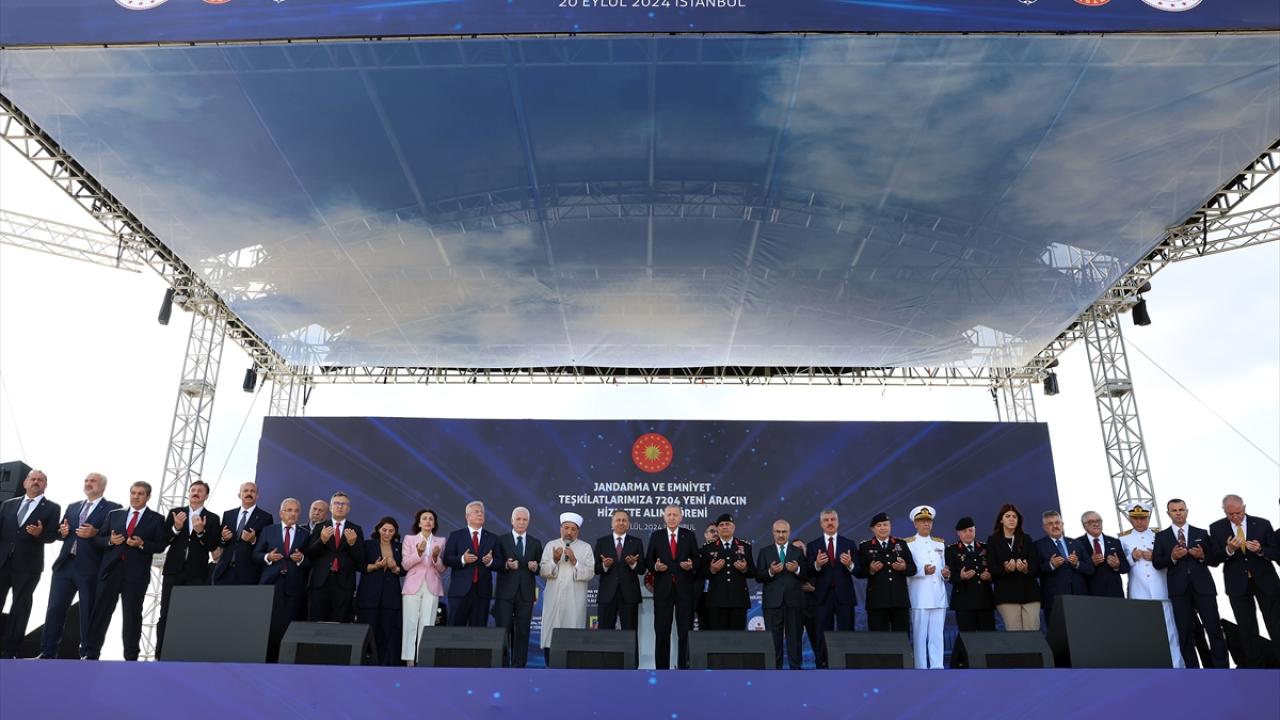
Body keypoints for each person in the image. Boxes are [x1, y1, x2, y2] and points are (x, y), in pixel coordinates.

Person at [39, 472, 119, 660]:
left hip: (90, 567)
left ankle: (88, 654)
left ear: (103, 486)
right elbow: (61, 532)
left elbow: (112, 538)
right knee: (55, 609)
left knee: (88, 612)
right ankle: (48, 652)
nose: (88, 483)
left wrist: (95, 533)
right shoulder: (73, 507)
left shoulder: (113, 509)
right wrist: (62, 531)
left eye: (93, 481)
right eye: (86, 480)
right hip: (65, 565)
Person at [81, 481, 164, 661]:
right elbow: (99, 539)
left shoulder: (157, 519)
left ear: (148, 497)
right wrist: (110, 541)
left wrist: (142, 544)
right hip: (110, 571)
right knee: (100, 612)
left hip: (136, 575)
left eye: (140, 494)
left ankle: (131, 657)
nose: (136, 496)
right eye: (133, 493)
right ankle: (90, 653)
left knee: (132, 616)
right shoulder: (115, 514)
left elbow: (160, 545)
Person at [1153, 498, 1228, 668]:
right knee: (1185, 632)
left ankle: (1222, 669)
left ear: (1187, 511)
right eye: (1174, 510)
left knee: (1214, 628)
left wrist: (1202, 556)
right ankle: (1192, 671)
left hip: (1204, 588)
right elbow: (1157, 562)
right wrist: (1172, 557)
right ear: (1168, 514)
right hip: (1179, 591)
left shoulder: (1201, 533)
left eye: (1181, 509)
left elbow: (1214, 560)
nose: (1178, 513)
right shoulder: (1161, 536)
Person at [1208, 494, 1280, 668]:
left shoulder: (1262, 524)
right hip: (1237, 586)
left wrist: (1261, 550)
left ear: (1244, 508)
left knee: (1276, 625)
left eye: (1238, 513)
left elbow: (1277, 553)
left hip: (1266, 583)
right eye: (1230, 514)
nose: (1235, 517)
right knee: (1247, 629)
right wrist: (1229, 549)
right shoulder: (1216, 528)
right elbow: (1213, 559)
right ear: (1224, 511)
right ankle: (1257, 670)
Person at [156, 479, 221, 658]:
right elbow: (164, 540)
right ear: (189, 493)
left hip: (197, 573)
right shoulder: (175, 512)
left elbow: (212, 546)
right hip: (173, 571)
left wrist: (201, 531)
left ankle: (188, 655)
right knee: (166, 613)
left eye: (200, 490)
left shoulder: (213, 518)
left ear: (206, 496)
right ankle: (160, 654)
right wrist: (176, 528)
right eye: (193, 489)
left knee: (192, 614)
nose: (196, 493)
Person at [0, 469, 60, 658]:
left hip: (28, 566)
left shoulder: (52, 508)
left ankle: (10, 651)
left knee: (20, 607)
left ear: (45, 485)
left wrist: (39, 534)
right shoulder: (8, 505)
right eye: (32, 478)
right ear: (25, 483)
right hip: (2, 562)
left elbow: (52, 536)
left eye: (40, 480)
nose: (36, 482)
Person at [1118, 503, 1184, 668]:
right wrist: (1132, 557)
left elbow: (1171, 560)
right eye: (1136, 518)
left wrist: (1155, 556)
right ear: (1130, 519)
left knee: (1170, 630)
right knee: (1143, 630)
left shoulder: (1160, 535)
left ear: (1148, 518)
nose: (1140, 522)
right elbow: (1121, 566)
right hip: (1139, 589)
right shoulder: (1123, 539)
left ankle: (1177, 665)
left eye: (1143, 518)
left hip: (1161, 588)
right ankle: (1149, 666)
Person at [254, 498, 309, 663]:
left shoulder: (305, 534)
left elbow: (310, 562)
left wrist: (301, 559)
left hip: (293, 586)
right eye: (289, 510)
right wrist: (267, 557)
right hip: (271, 584)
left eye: (296, 511)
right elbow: (256, 554)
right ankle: (266, 660)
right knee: (268, 624)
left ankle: (285, 661)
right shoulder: (268, 531)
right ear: (281, 513)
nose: (293, 514)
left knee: (289, 625)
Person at [645, 504, 700, 669]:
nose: (671, 518)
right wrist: (655, 567)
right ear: (664, 517)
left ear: (681, 517)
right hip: (663, 590)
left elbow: (697, 559)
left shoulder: (689, 535)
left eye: (675, 515)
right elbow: (648, 561)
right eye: (669, 515)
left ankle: (684, 668)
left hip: (685, 591)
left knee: (685, 632)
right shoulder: (657, 536)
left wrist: (691, 565)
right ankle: (661, 670)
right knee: (662, 631)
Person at [539, 512, 594, 664]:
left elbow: (590, 573)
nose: (569, 532)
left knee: (572, 632)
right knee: (551, 632)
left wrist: (575, 561)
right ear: (560, 529)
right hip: (554, 599)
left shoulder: (586, 548)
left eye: (573, 529)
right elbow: (543, 571)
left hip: (574, 600)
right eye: (566, 528)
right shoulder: (551, 545)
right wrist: (554, 560)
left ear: (578, 531)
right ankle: (549, 666)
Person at [806, 508, 859, 668]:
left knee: (847, 632)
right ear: (821, 524)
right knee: (821, 634)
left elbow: (859, 571)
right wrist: (817, 564)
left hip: (844, 596)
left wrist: (850, 564)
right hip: (822, 597)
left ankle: (847, 665)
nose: (830, 522)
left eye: (833, 519)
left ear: (838, 522)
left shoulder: (849, 543)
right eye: (826, 520)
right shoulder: (813, 545)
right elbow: (808, 571)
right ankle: (822, 665)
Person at [492, 506, 542, 667]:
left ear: (529, 522)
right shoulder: (501, 540)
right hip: (505, 593)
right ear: (511, 521)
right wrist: (506, 565)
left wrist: (536, 567)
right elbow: (495, 563)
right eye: (518, 519)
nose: (521, 522)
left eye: (524, 519)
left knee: (523, 631)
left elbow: (541, 567)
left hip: (526, 594)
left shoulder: (535, 542)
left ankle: (519, 665)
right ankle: (502, 664)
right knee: (503, 631)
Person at [304, 491, 365, 622]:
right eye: (337, 503)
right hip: (320, 582)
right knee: (316, 622)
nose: (340, 506)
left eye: (344, 504)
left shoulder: (355, 529)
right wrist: (322, 540)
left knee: (341, 622)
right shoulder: (320, 527)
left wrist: (353, 544)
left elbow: (360, 559)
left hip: (344, 584)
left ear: (348, 509)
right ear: (331, 507)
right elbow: (310, 555)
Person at [756, 519, 806, 670]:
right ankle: (774, 672)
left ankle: (796, 671)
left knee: (795, 639)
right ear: (773, 533)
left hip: (794, 603)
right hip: (772, 604)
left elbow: (806, 575)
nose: (781, 535)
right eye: (778, 531)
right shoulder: (765, 552)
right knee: (773, 640)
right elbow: (758, 576)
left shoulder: (797, 551)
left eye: (784, 532)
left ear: (789, 533)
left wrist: (797, 569)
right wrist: (771, 571)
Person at [356, 517, 404, 666]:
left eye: (391, 531)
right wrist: (374, 566)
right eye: (384, 530)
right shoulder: (368, 545)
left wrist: (395, 568)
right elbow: (359, 565)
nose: (387, 533)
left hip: (390, 598)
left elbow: (404, 570)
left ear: (395, 532)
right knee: (366, 631)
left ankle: (380, 665)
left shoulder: (400, 547)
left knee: (385, 634)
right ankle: (364, 663)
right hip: (369, 596)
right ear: (378, 529)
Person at [400, 508, 445, 666]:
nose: (428, 521)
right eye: (424, 518)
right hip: (413, 584)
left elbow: (442, 568)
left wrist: (435, 557)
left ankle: (423, 659)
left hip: (432, 585)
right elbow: (405, 565)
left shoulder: (441, 541)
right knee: (410, 623)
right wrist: (418, 553)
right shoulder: (409, 539)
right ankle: (409, 660)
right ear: (419, 523)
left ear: (434, 524)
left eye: (431, 519)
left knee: (428, 624)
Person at [443, 500, 498, 627]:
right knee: (454, 631)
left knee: (478, 632)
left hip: (482, 593)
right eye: (476, 512)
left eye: (482, 512)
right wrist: (462, 559)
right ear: (467, 516)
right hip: (459, 592)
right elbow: (447, 558)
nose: (480, 514)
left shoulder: (493, 538)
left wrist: (490, 561)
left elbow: (500, 563)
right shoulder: (456, 535)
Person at [857, 511, 915, 633]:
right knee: (879, 639)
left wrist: (904, 567)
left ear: (890, 526)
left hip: (899, 600)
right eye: (879, 525)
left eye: (885, 524)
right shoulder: (865, 546)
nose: (883, 528)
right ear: (872, 529)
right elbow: (859, 572)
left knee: (901, 638)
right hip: (877, 601)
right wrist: (870, 570)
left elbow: (913, 569)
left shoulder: (901, 544)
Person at [987, 503, 1041, 631]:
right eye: (1008, 516)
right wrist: (1005, 569)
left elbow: (1036, 566)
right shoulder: (993, 540)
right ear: (1001, 520)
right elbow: (991, 568)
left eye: (1014, 517)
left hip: (1030, 593)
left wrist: (1026, 568)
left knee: (1032, 631)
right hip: (1006, 594)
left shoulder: (1026, 539)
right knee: (1015, 634)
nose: (1011, 519)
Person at [906, 505, 947, 669]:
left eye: (928, 521)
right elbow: (907, 570)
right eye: (922, 521)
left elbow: (943, 568)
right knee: (919, 637)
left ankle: (937, 667)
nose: (926, 524)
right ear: (915, 524)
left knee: (937, 636)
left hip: (938, 595)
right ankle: (920, 668)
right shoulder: (908, 544)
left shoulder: (940, 543)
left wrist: (946, 574)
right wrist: (922, 571)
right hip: (919, 596)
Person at [699, 513, 756, 630]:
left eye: (728, 524)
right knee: (718, 637)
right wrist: (712, 570)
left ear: (733, 527)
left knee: (737, 637)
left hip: (738, 600)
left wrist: (744, 569)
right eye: (721, 525)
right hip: (716, 600)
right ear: (718, 528)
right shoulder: (708, 548)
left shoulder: (745, 546)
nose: (725, 527)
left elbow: (753, 572)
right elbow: (701, 573)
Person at [1034, 510, 1093, 621]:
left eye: (1057, 522)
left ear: (1062, 524)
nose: (1055, 526)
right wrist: (1051, 565)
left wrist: (1077, 564)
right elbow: (1033, 571)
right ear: (1045, 527)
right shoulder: (1037, 546)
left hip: (1079, 598)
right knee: (1059, 631)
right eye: (1050, 524)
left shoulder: (1076, 543)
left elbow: (1090, 569)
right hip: (1054, 601)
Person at [213, 482, 273, 585]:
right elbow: (221, 543)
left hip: (248, 573)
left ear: (257, 496)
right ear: (239, 495)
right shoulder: (228, 515)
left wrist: (253, 540)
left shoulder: (266, 517)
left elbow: (267, 546)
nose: (249, 493)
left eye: (252, 491)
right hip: (224, 571)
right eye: (245, 491)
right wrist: (223, 538)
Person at [594, 509, 644, 631]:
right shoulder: (602, 542)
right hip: (607, 594)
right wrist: (605, 565)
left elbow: (642, 569)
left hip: (629, 596)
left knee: (630, 633)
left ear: (628, 524)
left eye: (624, 520)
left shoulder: (636, 542)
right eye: (618, 520)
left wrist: (633, 564)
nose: (621, 523)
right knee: (604, 633)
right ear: (612, 524)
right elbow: (595, 568)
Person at [945, 516, 995, 633]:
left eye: (971, 530)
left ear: (975, 530)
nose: (968, 533)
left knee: (989, 636)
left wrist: (990, 576)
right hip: (964, 601)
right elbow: (949, 575)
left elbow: (994, 569)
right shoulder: (951, 550)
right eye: (964, 531)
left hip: (984, 600)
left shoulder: (985, 547)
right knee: (968, 637)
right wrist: (960, 576)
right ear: (958, 533)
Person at [1077, 510, 1129, 599]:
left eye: (1098, 521)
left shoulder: (1114, 542)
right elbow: (1076, 570)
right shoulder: (1077, 543)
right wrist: (1091, 562)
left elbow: (1126, 568)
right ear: (1084, 525)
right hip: (1090, 595)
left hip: (1115, 594)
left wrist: (1117, 566)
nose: (1096, 524)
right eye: (1091, 522)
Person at [696, 522, 717, 630]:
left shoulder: (726, 554)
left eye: (717, 532)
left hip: (720, 596)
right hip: (702, 596)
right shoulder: (697, 553)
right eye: (712, 531)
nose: (715, 534)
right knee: (703, 629)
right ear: (705, 535)